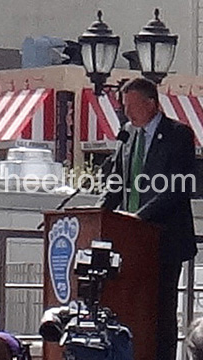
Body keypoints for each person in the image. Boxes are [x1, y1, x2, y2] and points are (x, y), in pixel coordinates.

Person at [97, 77, 197, 360]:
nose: (126, 113)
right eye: (123, 107)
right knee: (131, 307)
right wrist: (98, 213)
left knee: (162, 310)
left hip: (163, 241)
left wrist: (138, 219)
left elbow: (180, 188)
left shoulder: (179, 134)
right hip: (130, 243)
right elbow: (116, 183)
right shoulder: (128, 134)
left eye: (131, 106)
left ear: (150, 104)